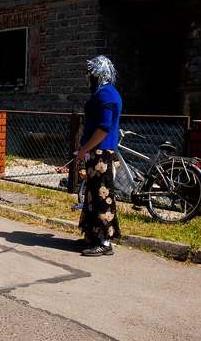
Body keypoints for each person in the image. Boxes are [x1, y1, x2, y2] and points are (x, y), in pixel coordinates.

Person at [76, 55, 123, 256]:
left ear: (99, 75)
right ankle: (93, 235)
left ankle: (104, 242)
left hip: (101, 153)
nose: (88, 79)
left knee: (102, 197)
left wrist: (85, 148)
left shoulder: (106, 95)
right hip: (97, 152)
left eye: (91, 75)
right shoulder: (105, 93)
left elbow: (103, 128)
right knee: (93, 195)